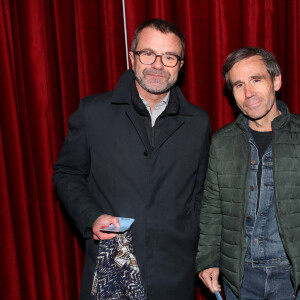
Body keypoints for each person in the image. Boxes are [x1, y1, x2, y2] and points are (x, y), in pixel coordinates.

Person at [53, 18, 211, 300]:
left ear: (181, 64)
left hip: (175, 275)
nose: (158, 65)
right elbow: (67, 174)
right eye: (148, 53)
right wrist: (92, 217)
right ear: (132, 56)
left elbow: (200, 195)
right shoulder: (92, 113)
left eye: (169, 57)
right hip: (111, 268)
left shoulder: (198, 123)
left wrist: (195, 246)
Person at [196, 46, 300, 299]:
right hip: (239, 278)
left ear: (276, 81)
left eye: (256, 80)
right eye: (238, 85)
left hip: (292, 278)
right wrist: (207, 259)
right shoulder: (222, 141)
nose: (248, 93)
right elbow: (212, 207)